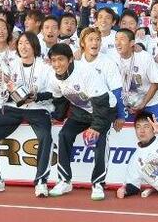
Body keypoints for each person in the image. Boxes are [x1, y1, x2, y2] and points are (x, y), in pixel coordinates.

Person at [0, 32, 55, 197]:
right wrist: (5, 88)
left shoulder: (45, 66)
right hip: (13, 107)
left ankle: (41, 182)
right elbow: (2, 90)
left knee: (46, 137)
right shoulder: (11, 64)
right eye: (20, 43)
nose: (23, 47)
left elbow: (53, 92)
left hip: (38, 108)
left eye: (27, 43)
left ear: (34, 46)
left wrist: (36, 96)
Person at [46, 43, 115, 200]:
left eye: (61, 59)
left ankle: (98, 184)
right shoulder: (53, 77)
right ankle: (64, 181)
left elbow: (101, 101)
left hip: (104, 109)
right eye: (53, 60)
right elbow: (60, 99)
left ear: (70, 59)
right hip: (80, 112)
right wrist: (57, 116)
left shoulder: (85, 72)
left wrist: (96, 127)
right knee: (64, 135)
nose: (57, 64)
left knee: (99, 140)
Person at [114, 27, 158, 122]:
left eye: (122, 39)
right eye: (116, 39)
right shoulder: (112, 58)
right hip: (127, 104)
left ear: (132, 43)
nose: (118, 43)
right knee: (126, 130)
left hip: (150, 102)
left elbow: (155, 83)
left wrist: (143, 103)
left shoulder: (144, 57)